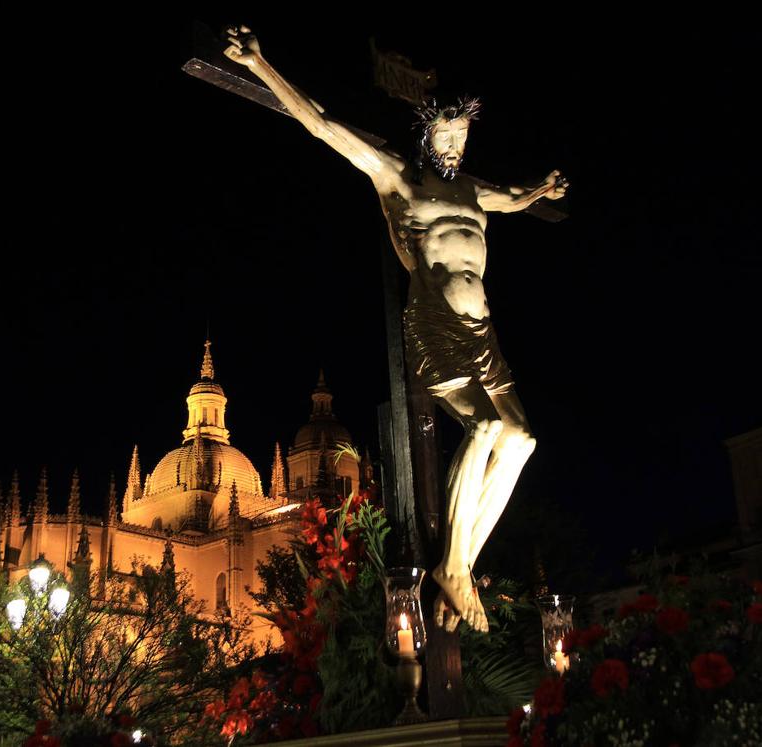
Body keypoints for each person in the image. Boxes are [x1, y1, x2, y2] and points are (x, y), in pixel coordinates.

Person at [224, 27, 567, 631]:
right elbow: (324, 124)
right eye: (447, 134)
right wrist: (260, 64)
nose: (457, 144)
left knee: (521, 440)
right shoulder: (398, 178)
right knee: (484, 425)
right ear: (426, 135)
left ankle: (458, 563)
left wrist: (541, 190)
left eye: (464, 135)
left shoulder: (476, 190)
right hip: (434, 320)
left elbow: (515, 199)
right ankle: (454, 573)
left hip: (482, 327)